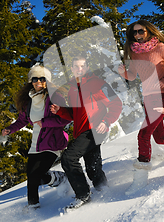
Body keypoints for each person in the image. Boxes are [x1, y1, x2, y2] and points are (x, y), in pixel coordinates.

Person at [51, 55, 122, 210]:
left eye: (82, 66)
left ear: (87, 67)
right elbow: (75, 114)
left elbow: (116, 103)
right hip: (82, 131)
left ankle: (83, 195)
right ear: (71, 69)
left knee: (69, 158)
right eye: (76, 66)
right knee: (92, 166)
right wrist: (60, 111)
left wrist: (106, 121)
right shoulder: (72, 89)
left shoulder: (98, 83)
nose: (79, 69)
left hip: (96, 128)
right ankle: (103, 189)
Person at [2, 65, 71, 209]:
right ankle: (33, 206)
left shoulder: (55, 96)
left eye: (42, 78)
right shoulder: (29, 100)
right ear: (30, 81)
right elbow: (23, 120)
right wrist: (10, 129)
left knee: (38, 175)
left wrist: (45, 122)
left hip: (52, 142)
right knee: (31, 179)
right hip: (36, 144)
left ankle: (60, 178)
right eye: (35, 79)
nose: (38, 81)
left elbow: (66, 119)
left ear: (48, 81)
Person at [118, 19, 164, 194]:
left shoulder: (161, 48)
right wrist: (123, 72)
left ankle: (140, 178)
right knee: (160, 137)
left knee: (143, 134)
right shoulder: (134, 53)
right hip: (148, 97)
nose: (137, 35)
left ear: (148, 31)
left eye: (140, 31)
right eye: (134, 33)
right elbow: (133, 76)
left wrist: (162, 83)